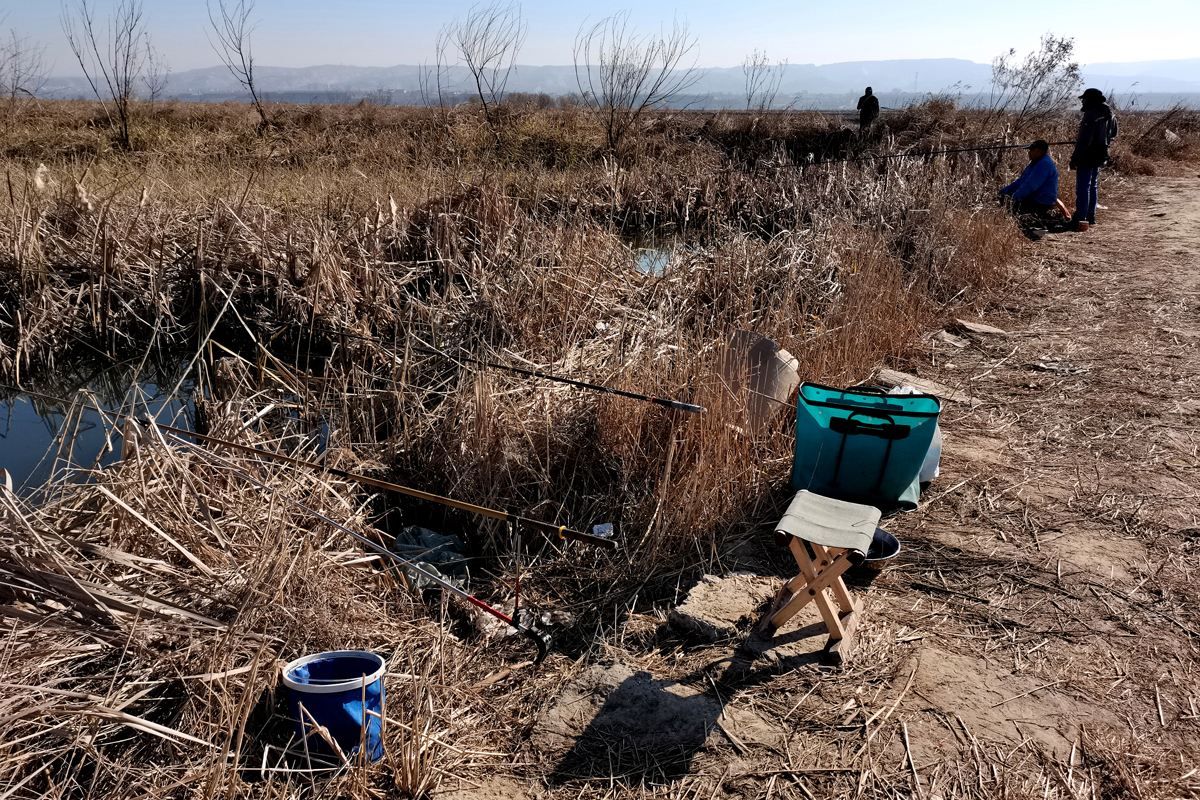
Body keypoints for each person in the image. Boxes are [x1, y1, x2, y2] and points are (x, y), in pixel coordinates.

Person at [1069, 88, 1119, 230]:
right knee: (1093, 185)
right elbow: (1114, 133)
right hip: (1101, 154)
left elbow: (1084, 140)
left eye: (1084, 99)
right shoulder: (1109, 113)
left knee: (1083, 187)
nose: (1082, 101)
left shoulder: (1091, 114)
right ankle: (1091, 217)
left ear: (1090, 100)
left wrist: (1074, 158)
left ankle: (1080, 218)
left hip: (1087, 155)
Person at [999, 139, 1060, 222]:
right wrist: (1005, 191)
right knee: (1004, 197)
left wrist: (1014, 198)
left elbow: (1030, 186)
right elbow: (1021, 181)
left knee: (1012, 206)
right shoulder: (1035, 163)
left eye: (1031, 150)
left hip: (1041, 201)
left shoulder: (1044, 164)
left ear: (1038, 151)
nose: (1029, 152)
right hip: (1034, 197)